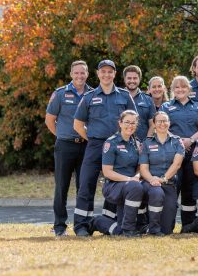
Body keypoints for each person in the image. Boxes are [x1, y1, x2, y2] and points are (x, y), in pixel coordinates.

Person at [72, 59, 137, 237]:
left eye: (110, 71)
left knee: (117, 183)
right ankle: (82, 226)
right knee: (86, 184)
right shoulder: (89, 97)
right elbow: (78, 124)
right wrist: (92, 138)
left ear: (114, 74)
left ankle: (110, 221)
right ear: (98, 74)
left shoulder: (124, 96)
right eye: (103, 71)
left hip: (119, 146)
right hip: (95, 145)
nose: (106, 74)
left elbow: (133, 120)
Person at [45, 60, 92, 236]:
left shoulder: (93, 94)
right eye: (76, 73)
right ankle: (59, 226)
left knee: (84, 187)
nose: (80, 76)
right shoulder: (60, 94)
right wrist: (61, 135)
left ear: (87, 74)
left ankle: (82, 225)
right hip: (65, 146)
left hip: (87, 146)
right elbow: (49, 120)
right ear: (71, 74)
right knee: (61, 187)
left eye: (83, 73)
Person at [159, 75, 198, 227]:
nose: (180, 90)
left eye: (183, 87)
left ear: (189, 89)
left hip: (193, 154)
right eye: (177, 87)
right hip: (173, 154)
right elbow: (161, 127)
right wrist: (179, 141)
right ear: (172, 90)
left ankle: (188, 224)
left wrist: (190, 140)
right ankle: (168, 224)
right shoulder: (166, 107)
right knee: (172, 188)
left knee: (189, 189)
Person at [92, 110, 143, 237]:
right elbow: (107, 172)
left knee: (118, 230)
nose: (130, 125)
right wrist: (129, 179)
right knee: (135, 186)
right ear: (120, 123)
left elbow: (140, 166)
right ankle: (128, 230)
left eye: (133, 123)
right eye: (127, 122)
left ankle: (98, 222)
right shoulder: (111, 143)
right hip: (113, 186)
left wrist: (136, 176)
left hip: (129, 187)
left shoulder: (137, 143)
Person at [139, 110, 185, 235]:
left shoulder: (177, 142)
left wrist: (163, 179)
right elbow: (143, 168)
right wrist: (152, 180)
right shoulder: (147, 143)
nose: (162, 123)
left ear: (169, 123)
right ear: (154, 124)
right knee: (157, 192)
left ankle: (150, 228)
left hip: (168, 183)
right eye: (159, 121)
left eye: (165, 121)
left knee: (167, 230)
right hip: (150, 183)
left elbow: (177, 164)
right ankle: (153, 228)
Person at [123, 65, 154, 142]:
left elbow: (152, 124)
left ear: (139, 79)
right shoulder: (117, 98)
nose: (132, 81)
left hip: (142, 145)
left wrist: (147, 143)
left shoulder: (148, 99)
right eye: (129, 78)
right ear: (124, 79)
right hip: (121, 145)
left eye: (135, 78)